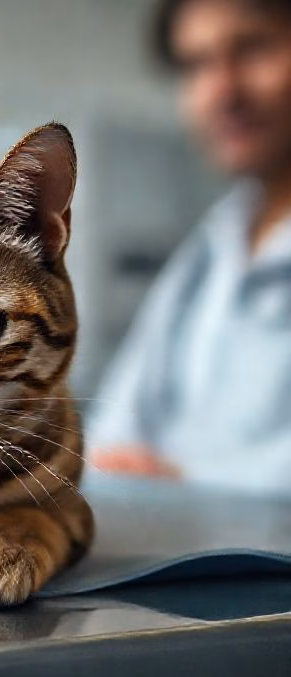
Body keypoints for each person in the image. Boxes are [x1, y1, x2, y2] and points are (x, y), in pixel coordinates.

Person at [88, 0, 291, 497]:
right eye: (196, 64)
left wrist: (182, 483)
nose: (222, 91)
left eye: (253, 48)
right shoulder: (215, 242)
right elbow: (116, 426)